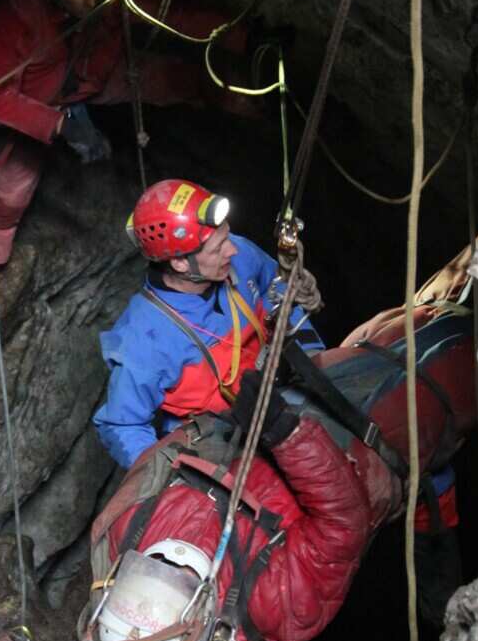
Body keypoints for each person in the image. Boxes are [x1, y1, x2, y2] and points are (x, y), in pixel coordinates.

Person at [78, 372, 410, 641]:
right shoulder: (275, 603)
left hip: (252, 429)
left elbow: (166, 454)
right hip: (336, 456)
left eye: (150, 580)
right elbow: (344, 524)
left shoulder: (121, 535)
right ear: (202, 637)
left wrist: (218, 423)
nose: (174, 566)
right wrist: (285, 435)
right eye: (175, 594)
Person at [0, 0, 257, 318]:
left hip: (97, 76)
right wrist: (60, 125)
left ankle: (250, 103)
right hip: (42, 102)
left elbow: (171, 13)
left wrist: (243, 38)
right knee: (9, 192)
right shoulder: (15, 16)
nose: (92, 0)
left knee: (176, 78)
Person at [92, 178, 324, 471]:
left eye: (227, 236)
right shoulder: (143, 341)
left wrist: (309, 354)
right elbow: (122, 425)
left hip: (284, 391)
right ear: (180, 263)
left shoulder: (240, 257)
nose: (232, 250)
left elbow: (277, 288)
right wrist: (174, 475)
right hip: (222, 444)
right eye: (218, 248)